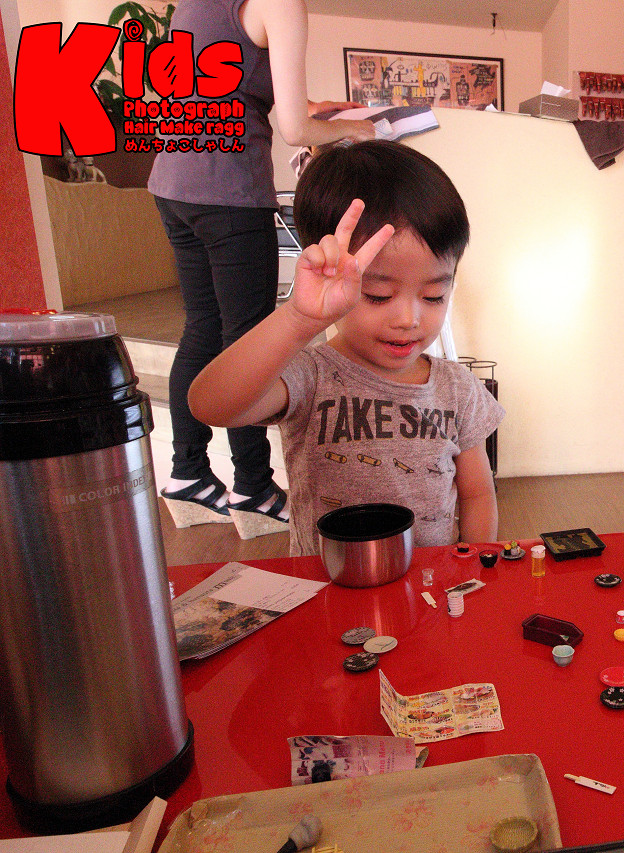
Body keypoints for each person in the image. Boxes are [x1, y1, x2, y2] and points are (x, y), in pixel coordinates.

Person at [187, 141, 504, 557]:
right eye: (377, 295)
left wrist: (474, 566)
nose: (408, 319)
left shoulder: (457, 388)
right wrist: (299, 319)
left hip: (431, 583)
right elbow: (210, 405)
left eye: (433, 296)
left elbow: (478, 494)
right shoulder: (310, 375)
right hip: (328, 582)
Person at [149, 0, 376, 539]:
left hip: (174, 183)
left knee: (202, 327)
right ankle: (252, 486)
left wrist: (315, 107)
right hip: (228, 191)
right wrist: (362, 130)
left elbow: (224, 87)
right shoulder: (280, 3)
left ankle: (188, 475)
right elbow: (295, 130)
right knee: (249, 339)